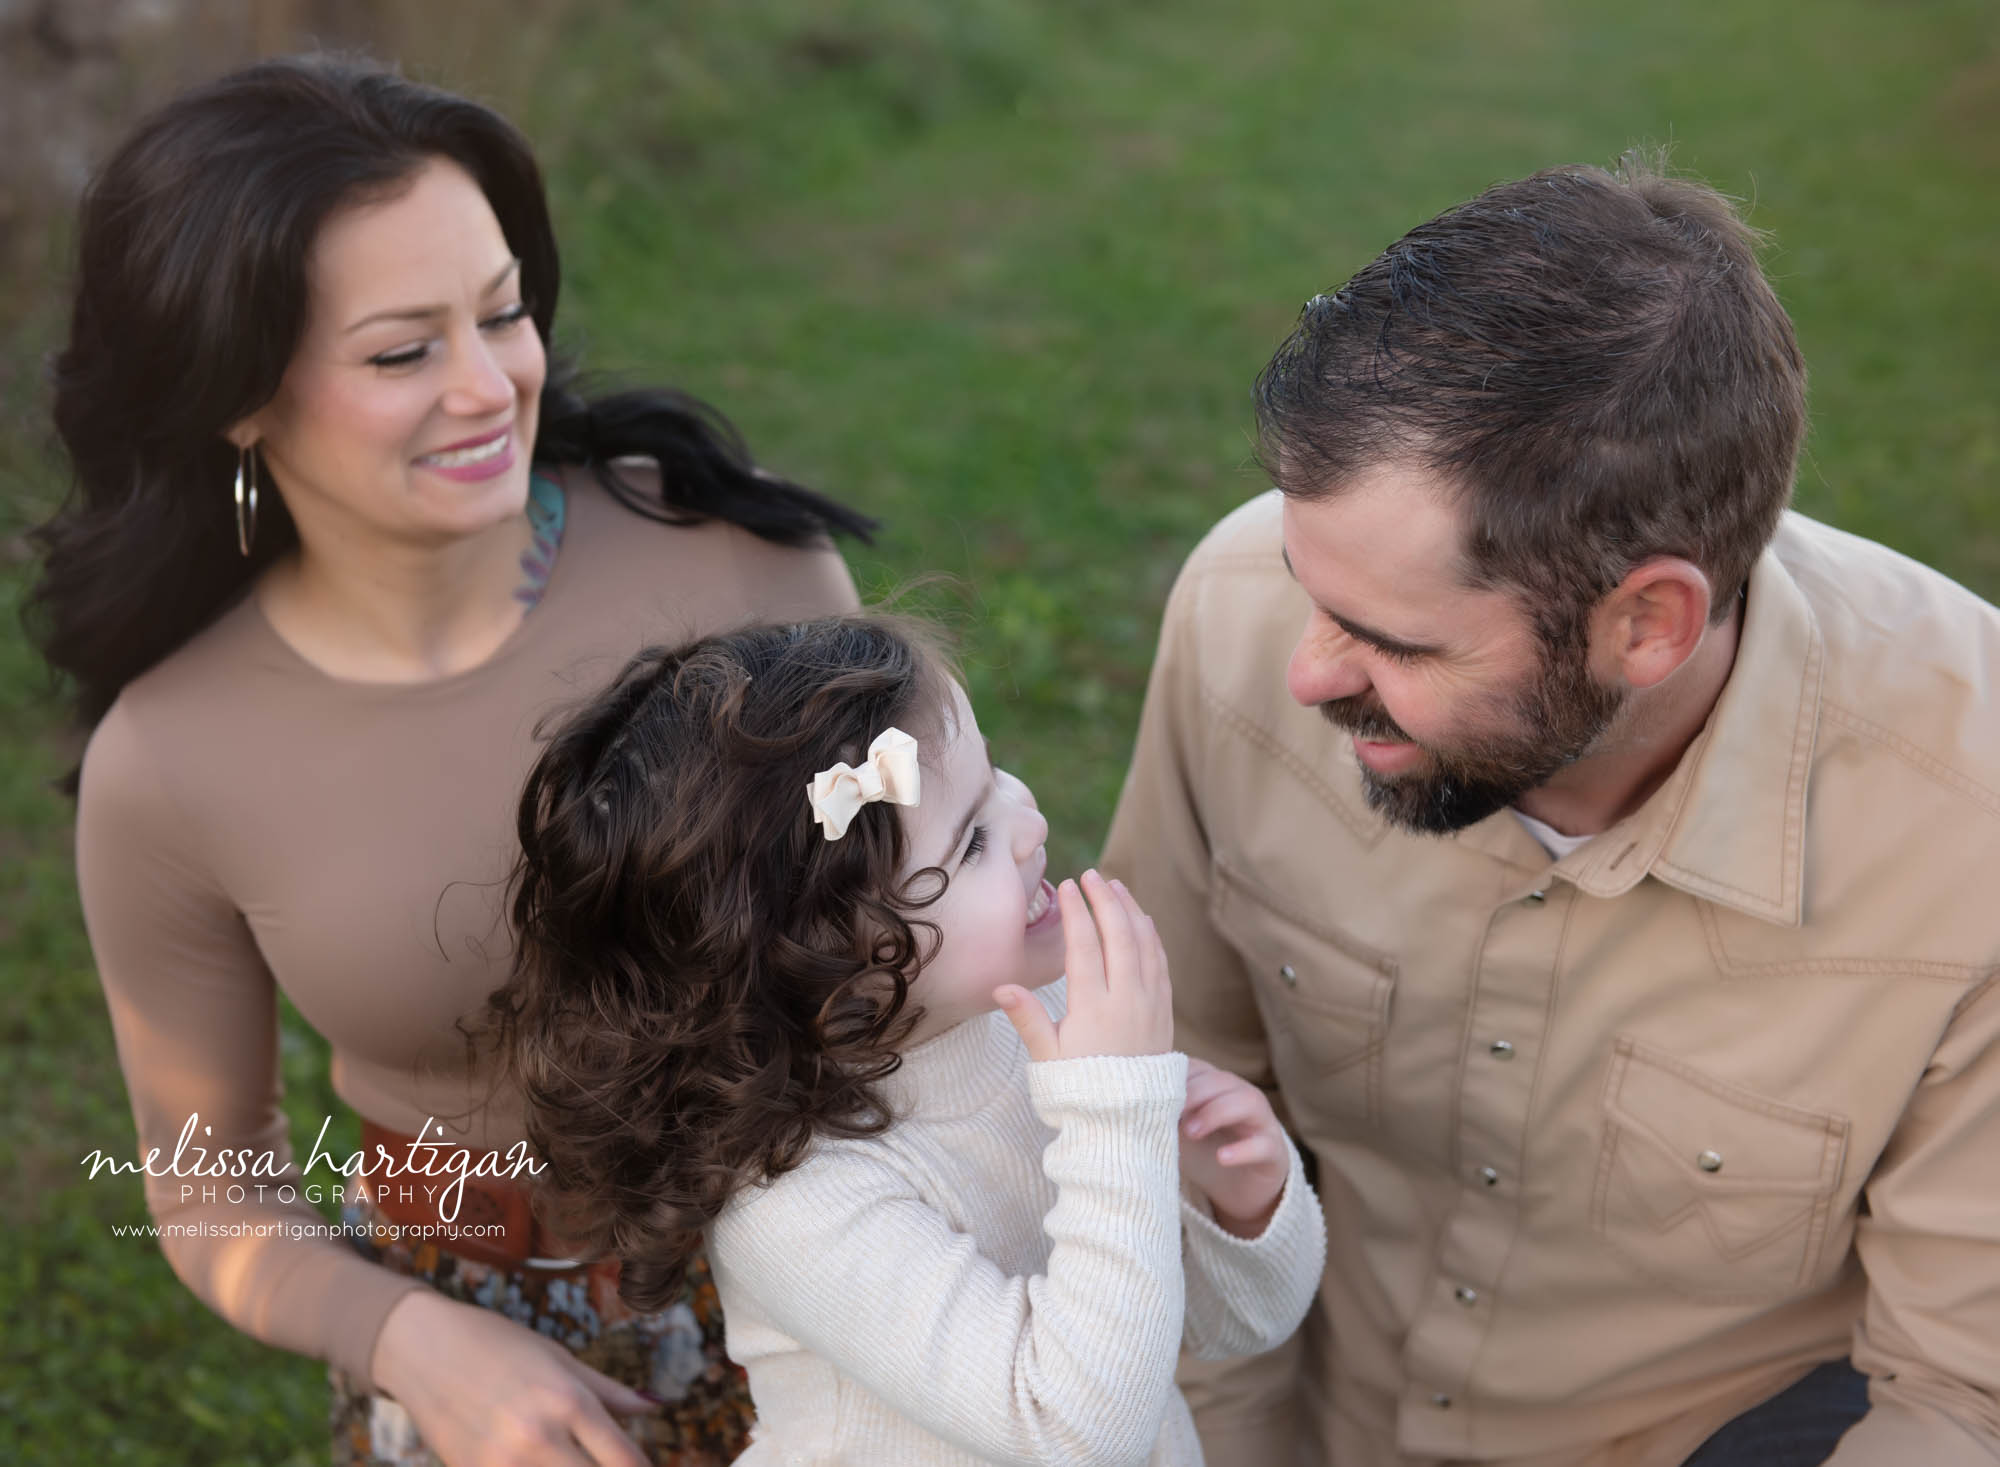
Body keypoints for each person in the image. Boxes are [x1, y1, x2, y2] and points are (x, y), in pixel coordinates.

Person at [29, 55, 876, 1467]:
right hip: (469, 1344)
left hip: (855, 1271)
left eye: (502, 312)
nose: (491, 387)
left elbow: (946, 918)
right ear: (236, 394)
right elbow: (207, 1186)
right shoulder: (166, 759)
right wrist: (411, 1340)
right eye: (400, 352)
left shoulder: (744, 563)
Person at [1102, 155, 2000, 1467]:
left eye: (1395, 642)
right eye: (1306, 589)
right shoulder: (1232, 607)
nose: (1305, 673)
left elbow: (1956, 1397)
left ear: (1647, 624)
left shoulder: (1972, 826)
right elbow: (1151, 1126)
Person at [480, 615, 1327, 1465]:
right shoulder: (797, 1198)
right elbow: (1075, 1426)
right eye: (975, 840)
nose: (1029, 822)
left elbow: (1207, 1328)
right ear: (825, 960)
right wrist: (1113, 1111)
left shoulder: (1040, 1013)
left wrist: (1240, 1206)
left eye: (994, 774)